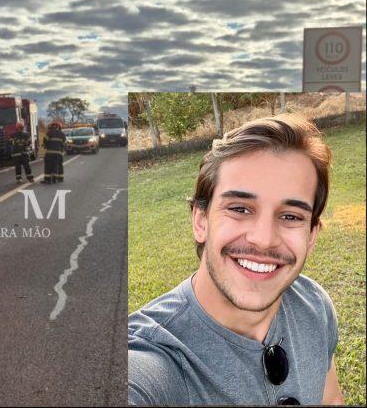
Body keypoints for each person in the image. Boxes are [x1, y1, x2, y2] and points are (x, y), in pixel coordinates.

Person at [128, 114, 344, 406]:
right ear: (201, 220)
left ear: (312, 234)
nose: (264, 239)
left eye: (291, 216)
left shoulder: (314, 305)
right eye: (240, 209)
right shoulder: (151, 359)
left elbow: (330, 399)